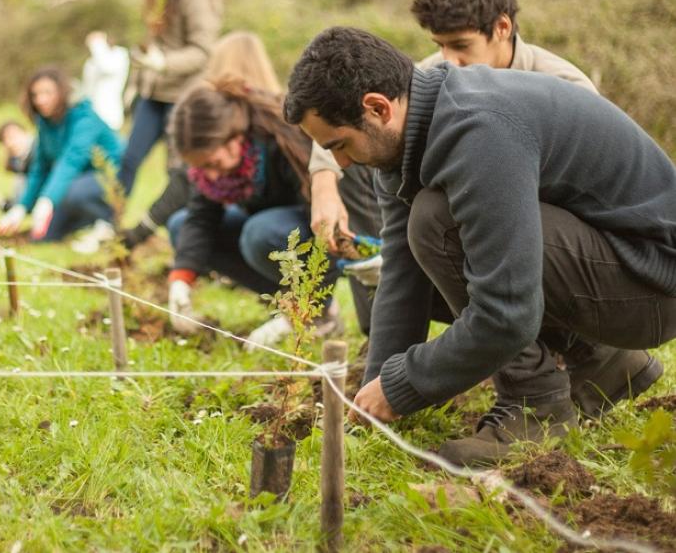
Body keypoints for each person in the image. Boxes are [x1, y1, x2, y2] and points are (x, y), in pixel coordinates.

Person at [285, 26, 675, 465]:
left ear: (377, 108)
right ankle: (602, 361)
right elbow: (402, 270)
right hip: (609, 266)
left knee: (438, 222)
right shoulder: (407, 140)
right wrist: (377, 386)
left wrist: (403, 385)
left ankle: (536, 402)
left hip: (652, 285)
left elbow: (507, 314)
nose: (339, 163)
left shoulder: (479, 130)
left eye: (339, 145)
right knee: (425, 238)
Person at [308, 0, 601, 337]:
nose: (449, 61)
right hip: (473, 237)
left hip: (556, 255)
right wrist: (324, 185)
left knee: (436, 216)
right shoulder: (434, 73)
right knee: (374, 163)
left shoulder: (567, 88)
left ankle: (556, 351)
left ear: (501, 27)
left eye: (460, 45)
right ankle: (392, 328)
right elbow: (353, 121)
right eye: (440, 45)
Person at [165, 79, 342, 345]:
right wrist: (181, 279)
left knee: (258, 232)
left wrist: (304, 304)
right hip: (271, 232)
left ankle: (317, 310)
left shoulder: (281, 140)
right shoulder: (215, 171)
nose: (211, 175)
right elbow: (201, 218)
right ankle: (284, 301)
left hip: (311, 229)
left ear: (234, 138)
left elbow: (324, 232)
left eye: (213, 163)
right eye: (203, 168)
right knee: (181, 227)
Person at [87, 31, 284, 254]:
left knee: (238, 226)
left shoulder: (227, 122)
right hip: (264, 225)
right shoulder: (276, 112)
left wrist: (137, 233)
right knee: (188, 221)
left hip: (266, 227)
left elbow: (183, 184)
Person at [118, 0, 223, 197]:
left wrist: (163, 63)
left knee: (178, 171)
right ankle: (108, 222)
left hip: (183, 96)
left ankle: (179, 233)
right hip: (153, 94)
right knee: (128, 159)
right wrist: (136, 80)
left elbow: (202, 50)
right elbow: (159, 41)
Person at [0, 67, 123, 242]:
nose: (40, 100)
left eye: (47, 93)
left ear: (61, 92)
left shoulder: (84, 117)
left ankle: (106, 223)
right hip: (78, 179)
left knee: (70, 192)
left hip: (111, 175)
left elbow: (71, 161)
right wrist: (20, 208)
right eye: (35, 94)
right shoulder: (45, 123)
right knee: (41, 237)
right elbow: (40, 168)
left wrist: (46, 201)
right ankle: (81, 224)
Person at [80, 30, 129, 131]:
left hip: (110, 115)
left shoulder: (119, 55)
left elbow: (106, 67)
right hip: (90, 114)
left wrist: (97, 43)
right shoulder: (91, 62)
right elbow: (87, 89)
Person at [0, 120, 35, 212]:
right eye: (5, 141)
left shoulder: (38, 153)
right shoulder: (18, 161)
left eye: (13, 136)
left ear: (25, 132)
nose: (10, 143)